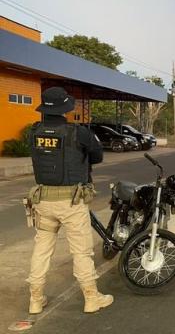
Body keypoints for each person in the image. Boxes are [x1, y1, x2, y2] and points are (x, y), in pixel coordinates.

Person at [26, 87, 113, 314]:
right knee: (81, 252)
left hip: (42, 201)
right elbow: (97, 155)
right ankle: (92, 298)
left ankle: (35, 300)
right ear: (66, 107)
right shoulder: (78, 133)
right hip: (72, 203)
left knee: (42, 249)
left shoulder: (34, 131)